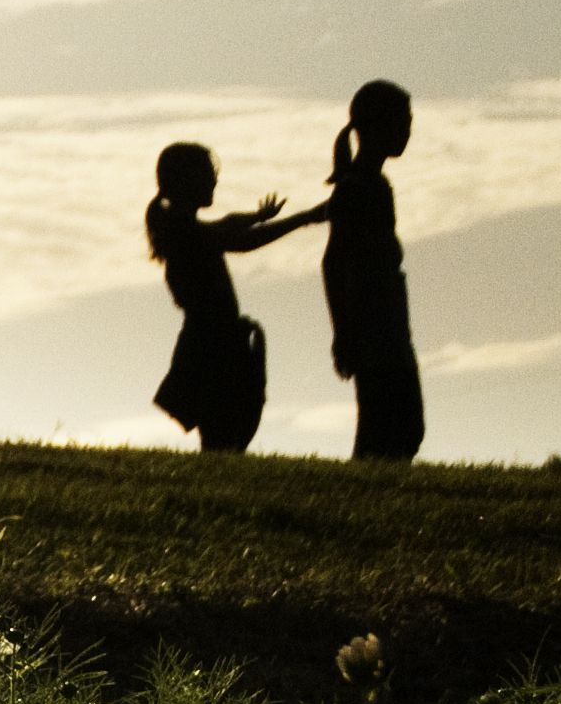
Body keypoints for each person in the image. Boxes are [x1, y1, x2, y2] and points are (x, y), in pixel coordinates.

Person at [143, 142, 316, 454]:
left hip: (213, 341)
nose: (214, 182)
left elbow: (228, 224)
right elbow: (243, 240)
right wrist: (303, 218)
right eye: (207, 175)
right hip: (212, 345)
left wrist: (258, 215)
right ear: (185, 182)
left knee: (226, 431)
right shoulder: (187, 232)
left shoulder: (183, 226)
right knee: (223, 434)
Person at [298, 80, 422, 462]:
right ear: (372, 127)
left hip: (388, 317)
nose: (407, 131)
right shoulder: (355, 188)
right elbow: (333, 262)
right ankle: (366, 484)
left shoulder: (376, 184)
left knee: (404, 424)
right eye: (399, 122)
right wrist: (343, 332)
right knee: (387, 422)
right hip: (371, 320)